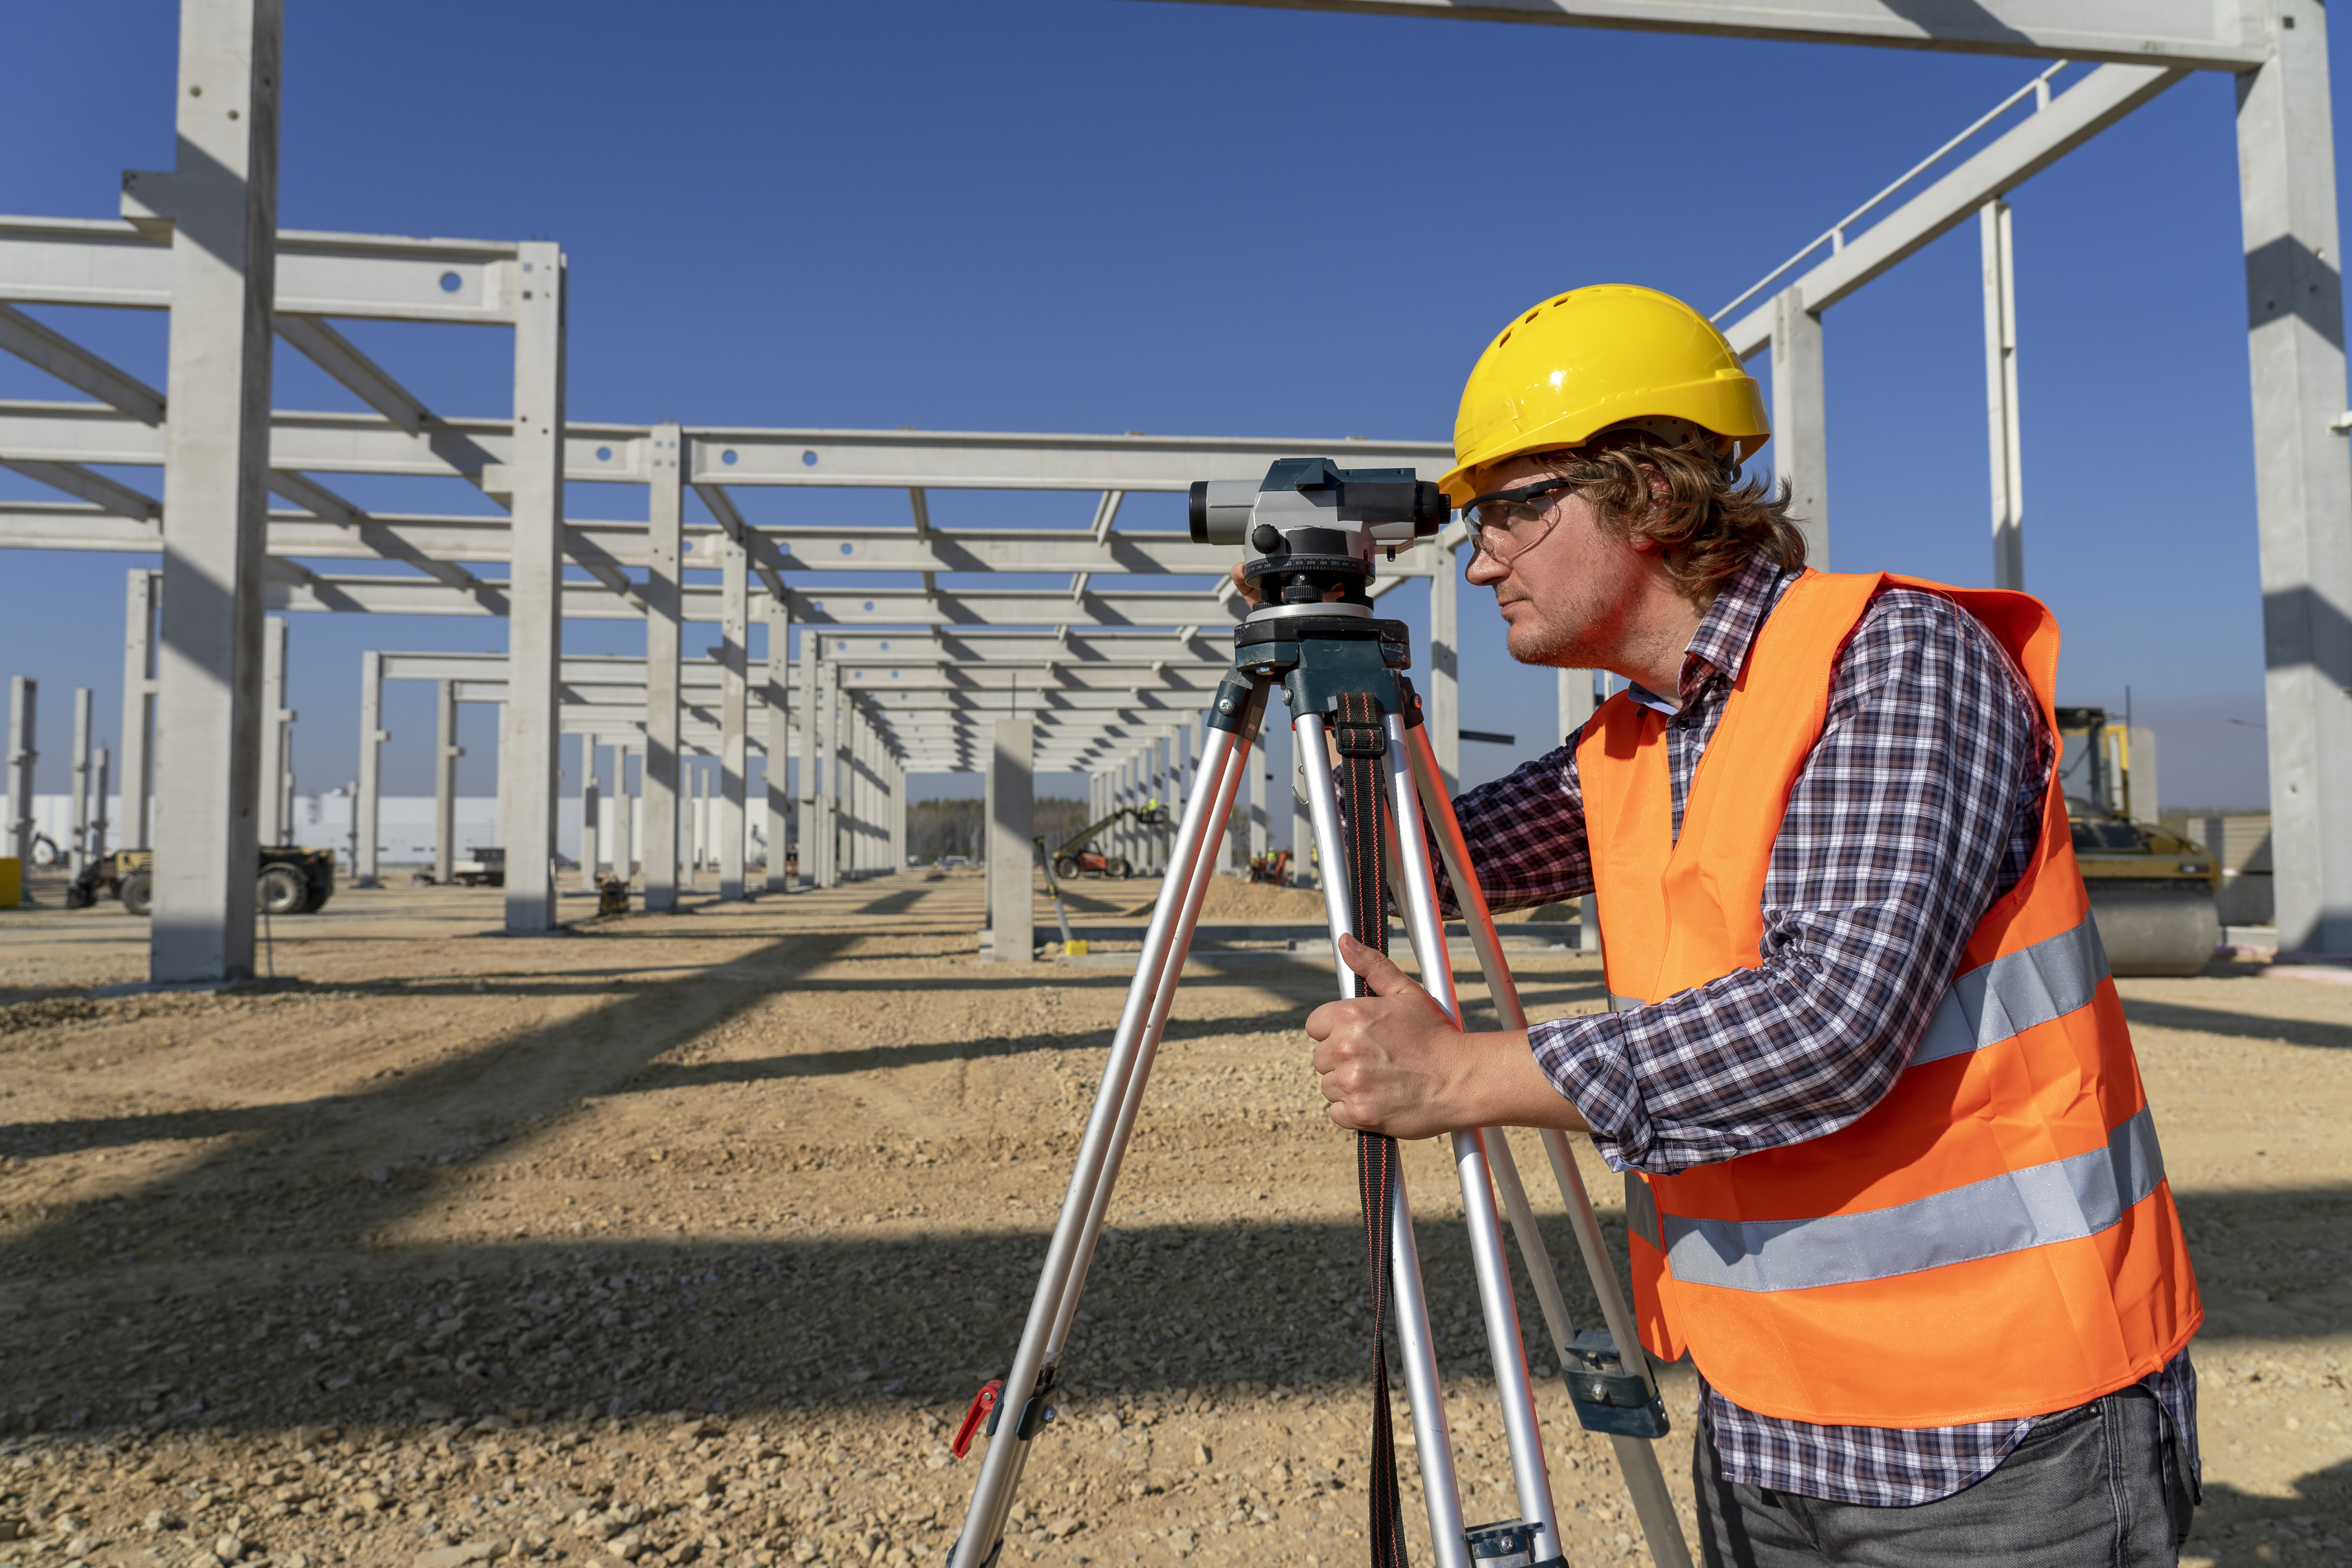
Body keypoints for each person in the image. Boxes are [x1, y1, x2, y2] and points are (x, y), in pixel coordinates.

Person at [1278, 285, 2203, 1565]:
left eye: (1513, 509)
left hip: (1998, 1433)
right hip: (1763, 1417)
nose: (1481, 558)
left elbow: (1831, 1021)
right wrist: (1303, 657)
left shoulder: (1891, 663)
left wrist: (1474, 1074)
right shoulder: (1629, 742)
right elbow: (1406, 862)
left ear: (1652, 492)